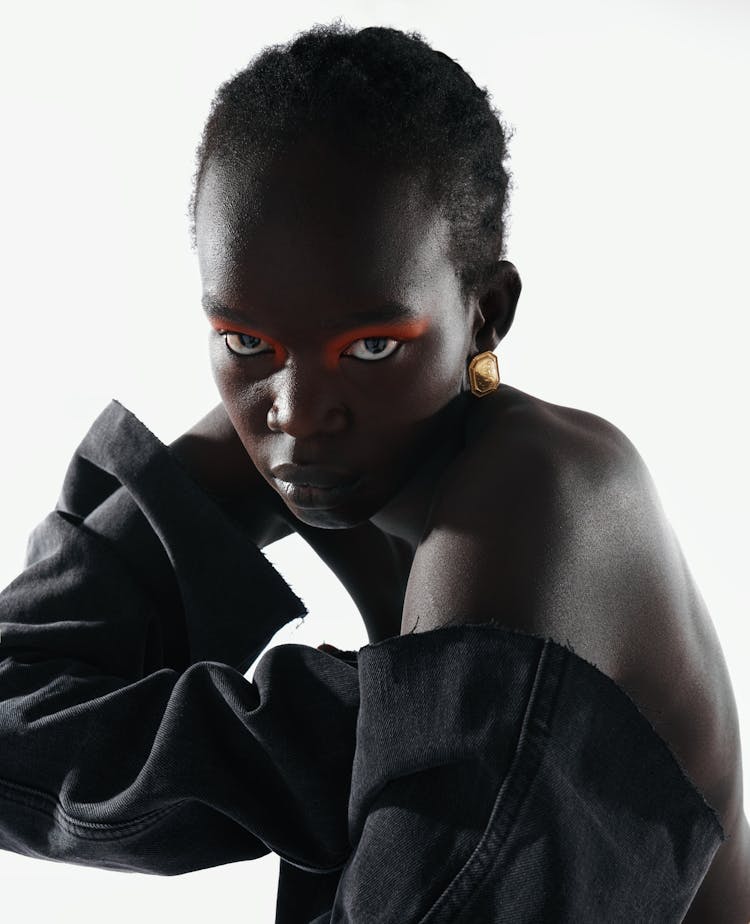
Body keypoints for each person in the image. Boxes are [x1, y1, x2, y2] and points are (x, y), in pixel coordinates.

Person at [0, 21, 747, 923]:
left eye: (373, 345)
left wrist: (370, 732)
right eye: (245, 340)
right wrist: (365, 732)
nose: (298, 411)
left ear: (486, 315)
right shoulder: (313, 442)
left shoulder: (535, 498)